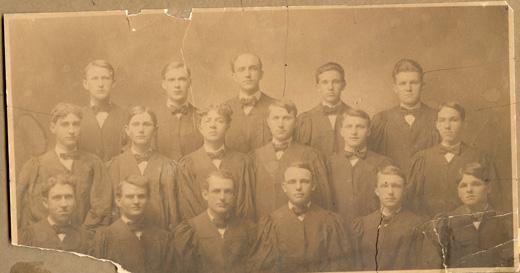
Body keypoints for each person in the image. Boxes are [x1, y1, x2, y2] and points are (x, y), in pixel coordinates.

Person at [16, 103, 112, 230]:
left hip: (85, 241)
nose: (71, 130)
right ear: (53, 127)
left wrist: (83, 235)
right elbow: (17, 207)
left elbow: (102, 206)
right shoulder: (35, 165)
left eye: (76, 124)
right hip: (45, 241)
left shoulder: (94, 163)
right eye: (65, 124)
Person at [249, 162, 352, 272]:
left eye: (304, 181)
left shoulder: (330, 222)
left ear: (313, 186)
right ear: (284, 187)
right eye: (292, 182)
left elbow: (339, 267)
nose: (298, 187)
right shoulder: (271, 223)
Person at [408, 102, 503, 217]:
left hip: (468, 227)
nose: (447, 126)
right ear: (436, 125)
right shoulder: (422, 158)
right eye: (442, 120)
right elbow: (411, 201)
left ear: (464, 123)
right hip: (430, 228)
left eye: (453, 120)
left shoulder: (480, 157)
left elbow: (495, 199)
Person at [420, 163, 513, 268]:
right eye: (463, 186)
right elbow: (434, 266)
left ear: (488, 188)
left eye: (476, 184)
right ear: (458, 192)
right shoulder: (445, 223)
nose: (469, 190)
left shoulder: (506, 221)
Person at [252, 99, 332, 218]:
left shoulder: (312, 155)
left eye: (287, 118)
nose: (280, 124)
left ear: (295, 122)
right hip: (264, 227)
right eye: (276, 118)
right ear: (268, 122)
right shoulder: (254, 157)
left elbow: (323, 199)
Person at [177, 104, 255, 220]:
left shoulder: (242, 162)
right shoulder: (187, 163)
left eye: (219, 121)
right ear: (200, 127)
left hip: (236, 231)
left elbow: (245, 205)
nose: (213, 126)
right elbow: (189, 206)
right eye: (207, 121)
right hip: (202, 232)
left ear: (228, 126)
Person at [107, 106, 178, 230]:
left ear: (155, 130)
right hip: (123, 237)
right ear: (127, 130)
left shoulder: (169, 166)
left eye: (146, 124)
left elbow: (174, 212)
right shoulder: (113, 166)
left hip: (160, 237)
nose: (141, 129)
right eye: (136, 124)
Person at [174, 170, 256, 273]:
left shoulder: (248, 229)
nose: (222, 197)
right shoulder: (189, 231)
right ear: (205, 194)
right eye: (216, 191)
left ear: (234, 196)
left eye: (228, 191)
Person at [91, 175, 175, 273]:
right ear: (118, 201)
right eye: (130, 197)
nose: (136, 201)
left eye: (141, 196)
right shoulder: (104, 237)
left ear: (148, 200)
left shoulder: (163, 238)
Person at [369, 59, 438, 171]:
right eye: (403, 83)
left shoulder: (437, 118)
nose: (408, 88)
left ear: (422, 86)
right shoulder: (381, 119)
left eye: (413, 83)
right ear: (395, 88)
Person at [327, 108, 392, 224]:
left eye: (360, 127)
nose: (354, 132)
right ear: (341, 131)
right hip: (337, 228)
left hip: (372, 228)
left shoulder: (383, 163)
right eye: (349, 126)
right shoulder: (329, 163)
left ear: (368, 131)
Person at [352, 165, 422, 271]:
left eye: (396, 186)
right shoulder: (363, 225)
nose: (390, 192)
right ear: (376, 191)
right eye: (385, 186)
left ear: (404, 190)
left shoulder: (418, 225)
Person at [19, 174, 92, 254]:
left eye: (68, 197)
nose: (64, 204)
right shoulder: (29, 235)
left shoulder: (85, 237)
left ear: (75, 201)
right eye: (57, 198)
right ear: (46, 202)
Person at [224, 53, 276, 153]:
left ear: (261, 74)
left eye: (253, 68)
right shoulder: (223, 109)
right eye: (241, 69)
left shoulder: (276, 107)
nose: (247, 75)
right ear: (234, 76)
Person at [296, 62, 351, 156]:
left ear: (343, 85)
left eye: (336, 82)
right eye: (325, 82)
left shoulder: (355, 117)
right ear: (318, 87)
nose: (330, 87)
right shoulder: (305, 119)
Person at [78, 60, 127, 162]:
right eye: (95, 78)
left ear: (113, 83)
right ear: (85, 84)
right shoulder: (76, 117)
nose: (100, 84)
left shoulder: (126, 116)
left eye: (105, 78)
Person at [156, 61, 203, 161]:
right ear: (164, 84)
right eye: (171, 80)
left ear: (190, 83)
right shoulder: (152, 118)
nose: (177, 85)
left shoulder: (201, 117)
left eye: (182, 79)